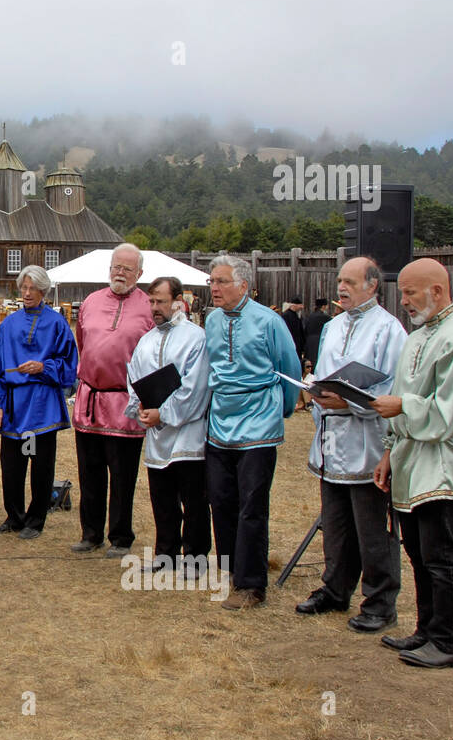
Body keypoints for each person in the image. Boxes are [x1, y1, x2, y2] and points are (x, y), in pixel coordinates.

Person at [371, 258, 453, 668]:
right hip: (412, 459)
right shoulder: (421, 334)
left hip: (442, 465)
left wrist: (403, 405)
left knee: (441, 555)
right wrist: (390, 452)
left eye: (411, 292)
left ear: (438, 291)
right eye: (402, 292)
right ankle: (427, 629)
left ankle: (449, 641)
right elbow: (405, 395)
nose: (404, 300)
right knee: (419, 553)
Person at [296, 258, 408, 630]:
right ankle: (335, 589)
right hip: (331, 441)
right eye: (339, 281)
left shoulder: (389, 330)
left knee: (373, 528)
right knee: (336, 523)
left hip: (367, 442)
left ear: (372, 286)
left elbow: (391, 390)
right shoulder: (332, 326)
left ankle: (379, 602)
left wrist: (349, 402)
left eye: (349, 281)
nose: (340, 288)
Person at [204, 255, 301, 610]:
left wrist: (283, 409)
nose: (214, 288)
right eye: (212, 281)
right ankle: (230, 570)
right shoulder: (212, 321)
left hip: (259, 421)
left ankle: (252, 585)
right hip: (219, 421)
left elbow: (289, 368)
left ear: (243, 285)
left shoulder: (269, 321)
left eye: (221, 281)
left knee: (252, 506)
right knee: (221, 499)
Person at [71, 243, 154, 556]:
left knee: (122, 475)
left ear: (140, 273)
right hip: (90, 399)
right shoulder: (91, 301)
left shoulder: (148, 307)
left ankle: (120, 537)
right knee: (89, 472)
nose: (120, 272)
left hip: (125, 403)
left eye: (127, 268)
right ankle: (90, 534)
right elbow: (83, 342)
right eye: (116, 266)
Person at [124, 276, 212, 570]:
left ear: (178, 301)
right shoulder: (146, 341)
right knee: (162, 499)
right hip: (157, 435)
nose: (155, 307)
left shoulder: (195, 338)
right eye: (151, 301)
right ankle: (166, 554)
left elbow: (195, 386)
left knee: (193, 500)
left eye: (160, 301)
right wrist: (140, 409)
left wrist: (164, 412)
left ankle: (196, 558)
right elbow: (134, 378)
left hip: (188, 434)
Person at [0, 266, 78, 540]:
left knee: (40, 465)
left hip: (41, 404)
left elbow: (69, 365)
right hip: (14, 403)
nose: (26, 293)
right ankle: (14, 517)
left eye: (32, 288)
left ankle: (35, 521)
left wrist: (43, 367)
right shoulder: (9, 324)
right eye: (23, 288)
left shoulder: (57, 323)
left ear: (43, 291)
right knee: (11, 464)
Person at [304, 297, 332, 363]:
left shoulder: (310, 316)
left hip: (309, 341)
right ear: (323, 306)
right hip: (319, 340)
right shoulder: (325, 317)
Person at [282, 295, 305, 363]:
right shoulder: (286, 315)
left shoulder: (296, 315)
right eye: (300, 305)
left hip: (297, 345)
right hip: (290, 344)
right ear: (294, 305)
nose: (301, 307)